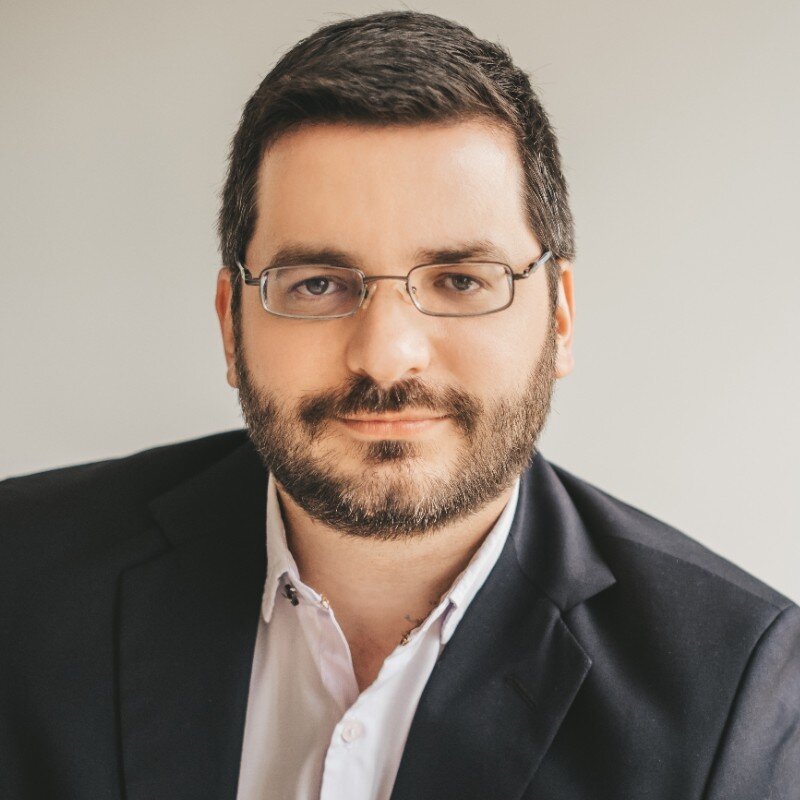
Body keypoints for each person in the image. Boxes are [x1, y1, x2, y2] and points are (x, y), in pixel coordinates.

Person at [1, 10, 798, 800]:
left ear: (559, 317)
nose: (385, 355)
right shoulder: (19, 580)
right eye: (317, 283)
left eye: (461, 280)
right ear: (229, 324)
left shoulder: (735, 694)